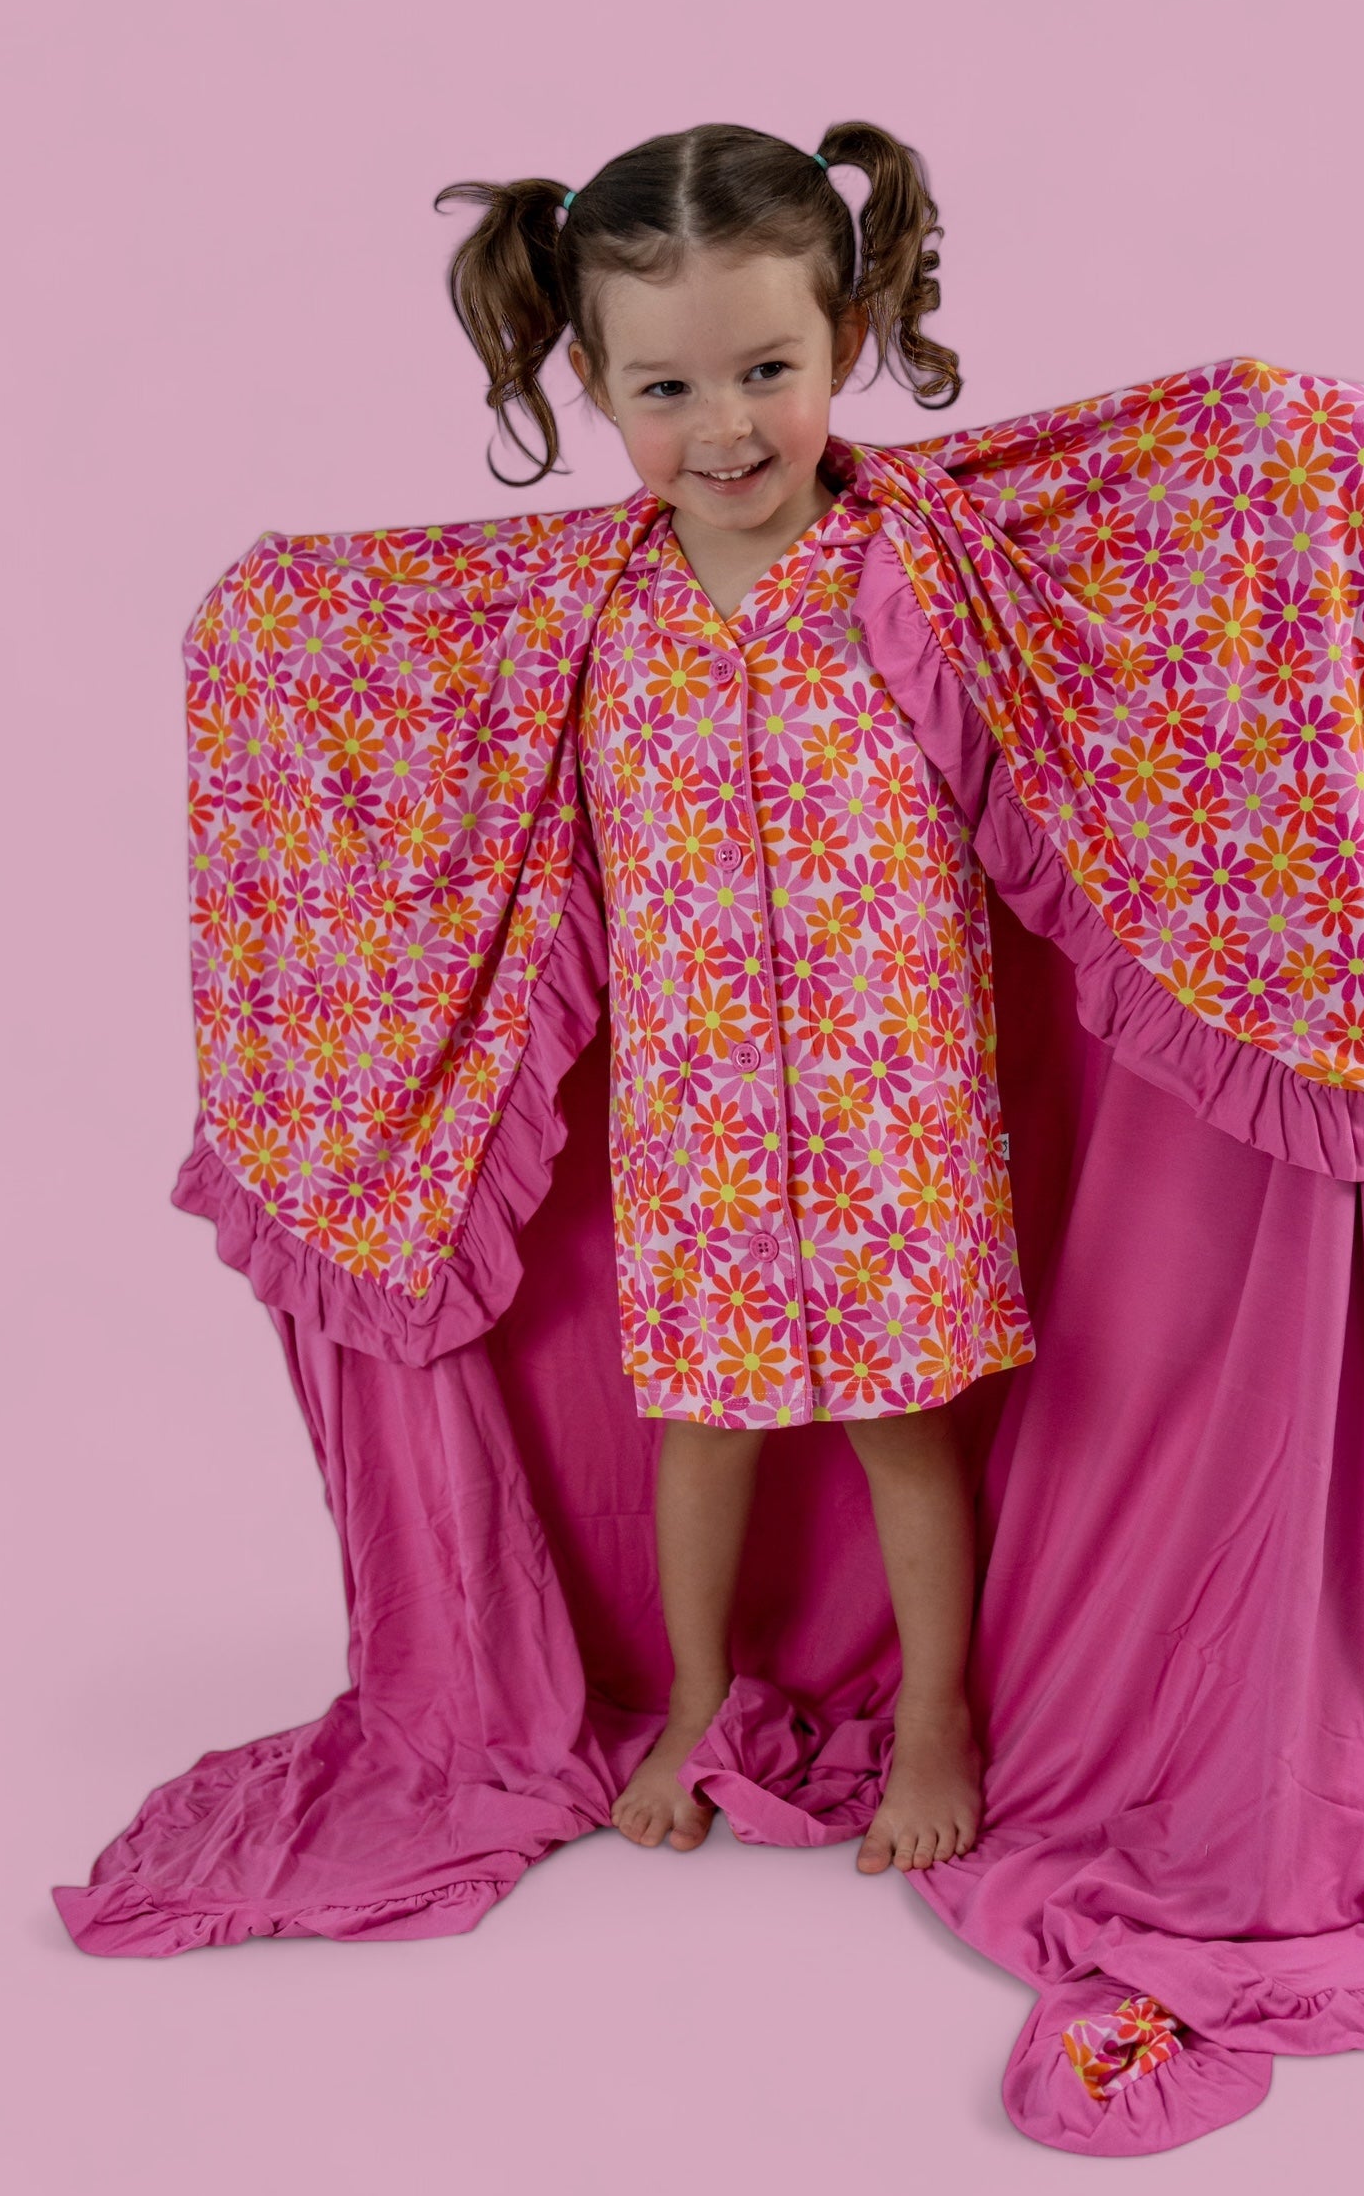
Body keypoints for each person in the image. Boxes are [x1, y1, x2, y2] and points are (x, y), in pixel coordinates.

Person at [435, 122, 1036, 1875]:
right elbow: (406, 680)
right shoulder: (588, 606)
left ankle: (936, 1716)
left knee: (900, 1425)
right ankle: (696, 1700)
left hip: (892, 1099)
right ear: (594, 381)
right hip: (695, 1109)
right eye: (668, 388)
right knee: (701, 1423)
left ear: (843, 340)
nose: (726, 428)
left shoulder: (915, 565)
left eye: (768, 370)